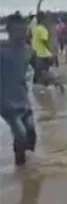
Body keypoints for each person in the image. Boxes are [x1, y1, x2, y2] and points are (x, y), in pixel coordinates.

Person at [0, 13, 37, 166]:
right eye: (17, 30)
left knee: (31, 134)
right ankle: (20, 166)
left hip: (23, 98)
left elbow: (38, 71)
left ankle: (28, 172)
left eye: (23, 29)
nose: (21, 33)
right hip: (5, 102)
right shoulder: (1, 50)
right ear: (9, 31)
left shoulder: (28, 50)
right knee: (20, 135)